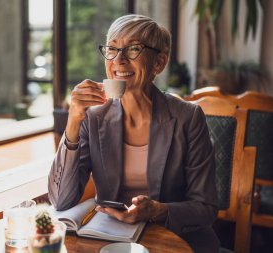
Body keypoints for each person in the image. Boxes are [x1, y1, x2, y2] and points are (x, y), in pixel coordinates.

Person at [48, 14, 219, 253]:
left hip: (174, 241)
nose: (119, 59)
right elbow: (61, 200)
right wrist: (73, 122)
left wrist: (158, 210)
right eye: (112, 49)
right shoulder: (94, 117)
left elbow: (206, 208)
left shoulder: (187, 118)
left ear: (159, 63)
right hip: (112, 242)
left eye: (133, 49)